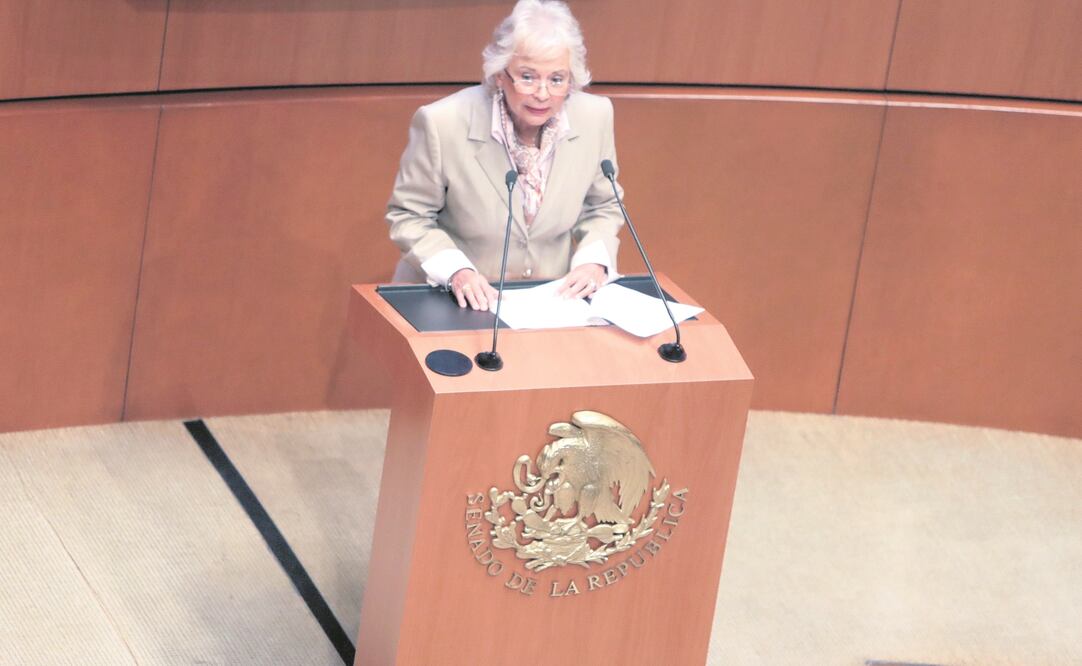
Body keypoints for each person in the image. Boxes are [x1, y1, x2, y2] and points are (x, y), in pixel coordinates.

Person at [386, 0, 624, 311]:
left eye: (556, 79)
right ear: (500, 74)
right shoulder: (442, 123)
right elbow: (408, 216)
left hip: (549, 305)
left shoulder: (594, 117)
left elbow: (603, 206)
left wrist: (594, 263)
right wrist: (457, 272)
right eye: (527, 76)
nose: (542, 93)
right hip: (451, 302)